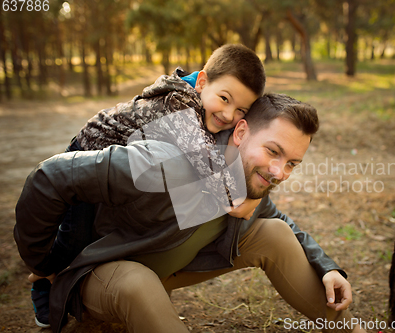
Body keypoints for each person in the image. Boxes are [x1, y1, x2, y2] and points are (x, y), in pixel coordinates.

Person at [14, 93, 365, 333]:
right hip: (104, 276)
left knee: (275, 232)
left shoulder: (247, 179)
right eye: (273, 151)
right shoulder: (168, 162)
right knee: (138, 284)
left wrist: (327, 267)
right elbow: (50, 176)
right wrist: (42, 264)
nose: (278, 172)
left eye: (292, 163)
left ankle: (351, 329)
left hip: (164, 270)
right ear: (241, 132)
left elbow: (280, 219)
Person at [27, 43, 266, 327]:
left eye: (241, 109)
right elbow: (211, 173)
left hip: (117, 175)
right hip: (87, 161)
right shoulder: (178, 107)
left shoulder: (200, 104)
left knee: (97, 236)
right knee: (71, 243)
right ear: (201, 82)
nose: (228, 115)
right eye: (224, 99)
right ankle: (42, 280)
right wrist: (250, 198)